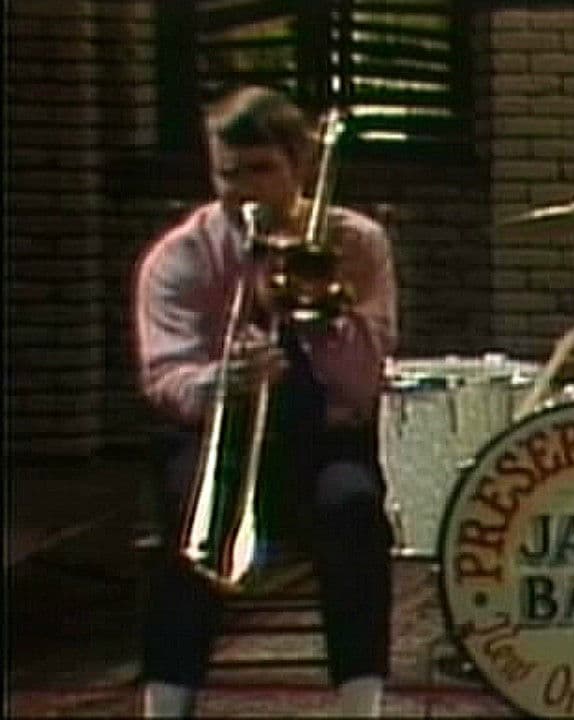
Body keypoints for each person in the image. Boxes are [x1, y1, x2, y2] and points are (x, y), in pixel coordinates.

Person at [132, 86, 397, 717]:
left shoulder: (357, 245)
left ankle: (360, 702)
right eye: (229, 174)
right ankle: (167, 700)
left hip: (325, 438)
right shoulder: (181, 257)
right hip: (215, 435)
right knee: (189, 519)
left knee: (355, 511)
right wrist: (223, 381)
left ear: (299, 167)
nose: (245, 192)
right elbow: (164, 376)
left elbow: (362, 386)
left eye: (262, 171)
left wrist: (319, 320)